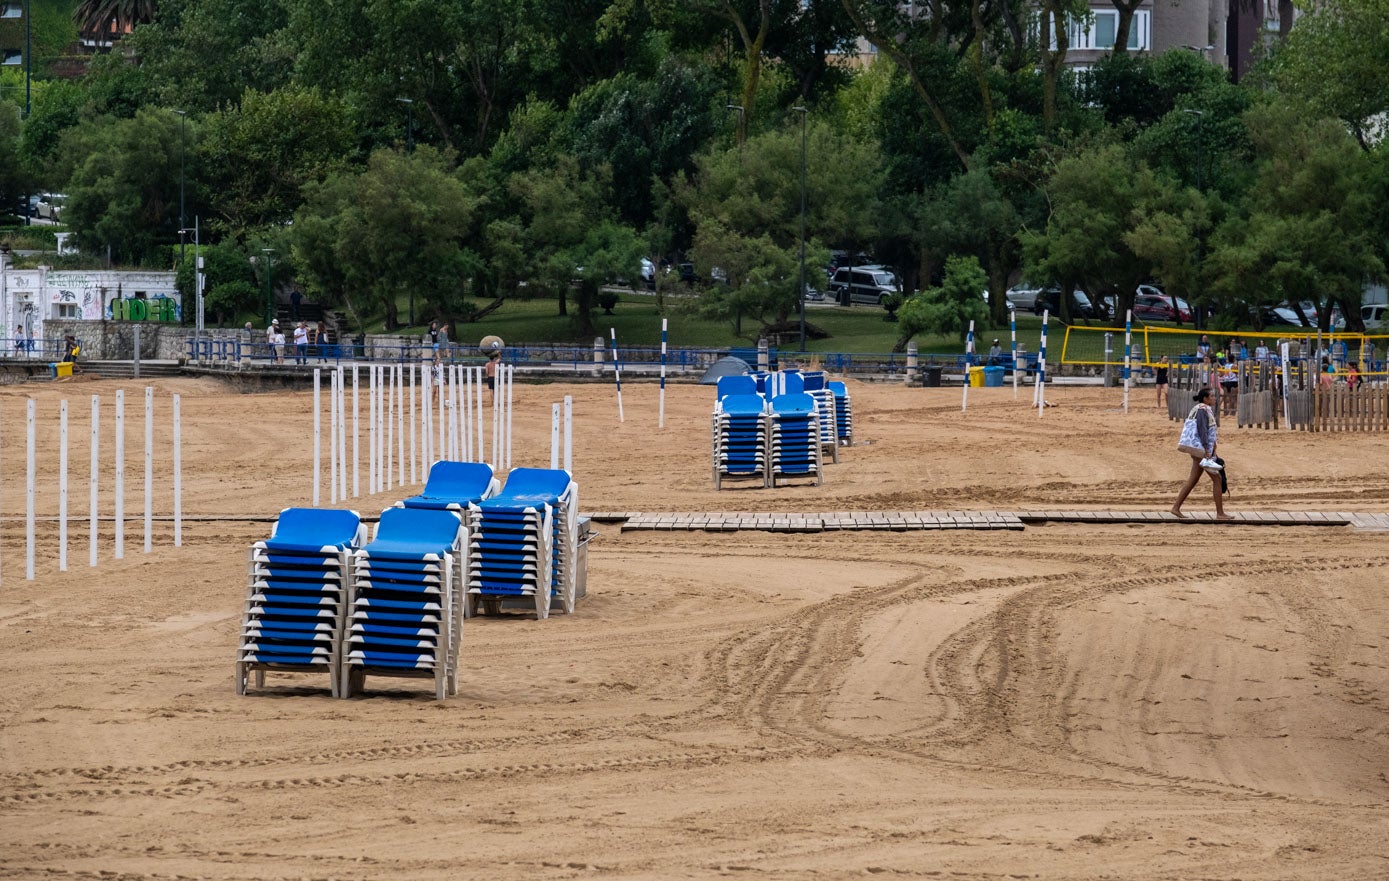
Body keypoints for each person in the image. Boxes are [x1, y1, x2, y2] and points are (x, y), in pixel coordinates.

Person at [1171, 388, 1230, 520]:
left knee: (1193, 480)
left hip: (1198, 450)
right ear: (1205, 399)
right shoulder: (1202, 410)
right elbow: (1202, 430)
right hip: (1200, 450)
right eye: (1212, 396)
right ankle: (1220, 513)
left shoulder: (1200, 409)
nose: (1214, 398)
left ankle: (1176, 508)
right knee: (1217, 478)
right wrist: (1207, 450)